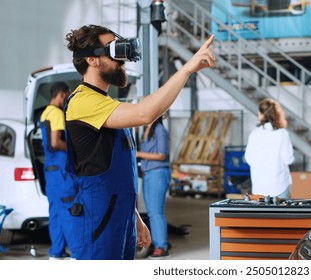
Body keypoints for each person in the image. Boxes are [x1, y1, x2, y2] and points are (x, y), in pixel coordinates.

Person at [64, 24, 215, 260]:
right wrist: (186, 70)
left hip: (117, 215)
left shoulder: (106, 106)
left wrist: (134, 217)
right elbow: (146, 114)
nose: (121, 60)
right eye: (113, 51)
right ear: (92, 60)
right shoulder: (83, 102)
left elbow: (118, 175)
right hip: (98, 217)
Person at [39, 82, 77, 259]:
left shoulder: (44, 113)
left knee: (55, 213)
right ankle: (78, 253)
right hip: (61, 172)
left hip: (50, 170)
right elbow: (55, 143)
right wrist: (74, 149)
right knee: (69, 210)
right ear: (61, 94)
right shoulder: (56, 113)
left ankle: (57, 251)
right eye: (66, 96)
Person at [244, 98, 295, 199]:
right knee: (281, 215)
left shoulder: (254, 134)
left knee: (262, 215)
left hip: (259, 188)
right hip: (279, 186)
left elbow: (249, 159)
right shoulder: (282, 134)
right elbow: (288, 159)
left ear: (262, 114)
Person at [136, 116, 171, 259]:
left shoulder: (160, 130)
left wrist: (138, 154)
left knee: (156, 212)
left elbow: (162, 155)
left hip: (158, 173)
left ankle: (161, 247)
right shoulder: (147, 129)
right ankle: (158, 243)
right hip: (149, 174)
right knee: (151, 211)